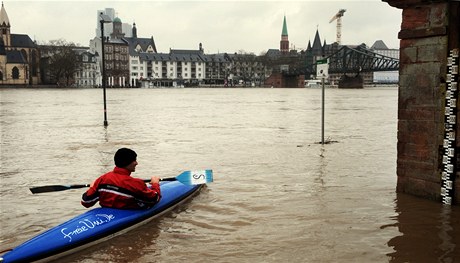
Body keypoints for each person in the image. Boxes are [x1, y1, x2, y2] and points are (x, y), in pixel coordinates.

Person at [81, 148, 161, 209]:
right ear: (128, 163)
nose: (137, 163)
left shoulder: (102, 179)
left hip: (108, 211)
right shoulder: (136, 183)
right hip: (129, 212)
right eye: (134, 160)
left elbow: (86, 202)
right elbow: (154, 199)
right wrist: (155, 184)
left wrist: (92, 188)